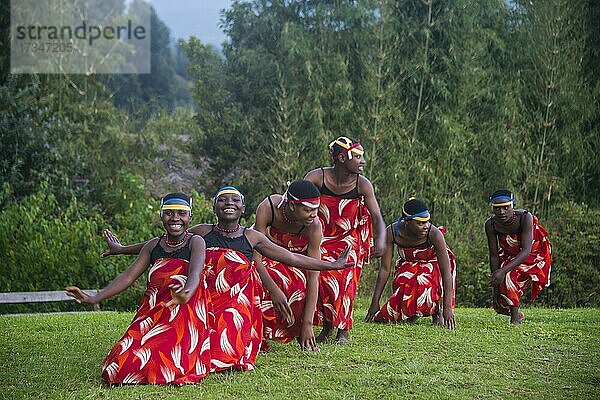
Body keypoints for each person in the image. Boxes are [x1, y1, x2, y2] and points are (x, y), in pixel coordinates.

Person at [101, 186, 352, 371]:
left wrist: (332, 264)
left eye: (235, 200)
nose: (228, 203)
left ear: (243, 208)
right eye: (223, 200)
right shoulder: (202, 233)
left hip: (237, 305)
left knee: (228, 353)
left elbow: (292, 259)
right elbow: (162, 244)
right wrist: (122, 249)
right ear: (213, 207)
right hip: (206, 301)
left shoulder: (252, 237)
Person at [66, 193, 212, 385]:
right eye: (169, 213)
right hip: (153, 311)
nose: (175, 218)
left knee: (164, 364)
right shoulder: (153, 245)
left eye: (181, 213)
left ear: (190, 218)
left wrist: (185, 293)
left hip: (185, 312)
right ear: (161, 216)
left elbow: (195, 273)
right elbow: (128, 276)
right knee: (119, 364)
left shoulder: (196, 242)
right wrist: (94, 298)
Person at [304, 136, 386, 344]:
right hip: (319, 239)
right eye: (358, 157)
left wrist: (381, 240)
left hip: (349, 239)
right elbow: (296, 200)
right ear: (342, 158)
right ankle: (328, 326)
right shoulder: (317, 177)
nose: (363, 161)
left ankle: (344, 329)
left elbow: (377, 217)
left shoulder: (362, 184)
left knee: (345, 278)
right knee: (320, 280)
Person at [365, 198, 456, 329]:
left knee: (422, 279)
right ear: (407, 221)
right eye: (420, 223)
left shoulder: (434, 234)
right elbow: (385, 269)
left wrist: (448, 308)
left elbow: (446, 273)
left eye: (427, 221)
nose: (425, 226)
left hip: (434, 264)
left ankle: (436, 310)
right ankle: (413, 311)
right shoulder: (392, 232)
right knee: (388, 315)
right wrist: (375, 303)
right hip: (408, 263)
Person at [253, 180, 323, 352]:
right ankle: (257, 333)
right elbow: (255, 254)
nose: (313, 214)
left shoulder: (314, 226)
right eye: (307, 210)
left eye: (316, 209)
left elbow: (313, 274)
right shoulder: (268, 207)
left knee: (298, 283)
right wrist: (273, 289)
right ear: (292, 205)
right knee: (254, 278)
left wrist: (307, 325)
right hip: (263, 258)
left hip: (296, 263)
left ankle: (292, 329)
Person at [484, 189, 552, 324]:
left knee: (509, 273)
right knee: (499, 298)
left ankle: (515, 319)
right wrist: (496, 277)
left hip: (533, 253)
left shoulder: (525, 218)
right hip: (509, 254)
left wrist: (503, 271)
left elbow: (526, 251)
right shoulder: (491, 224)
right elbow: (494, 254)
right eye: (497, 208)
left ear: (513, 206)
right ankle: (515, 313)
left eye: (506, 207)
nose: (501, 212)